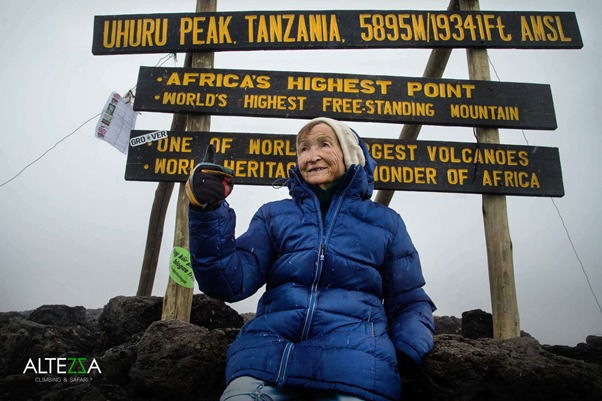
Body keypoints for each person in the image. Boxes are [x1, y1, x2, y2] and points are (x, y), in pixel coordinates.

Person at [186, 117, 435, 401]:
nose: (311, 156)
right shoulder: (273, 216)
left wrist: (406, 353)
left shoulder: (387, 223)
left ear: (350, 154)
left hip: (355, 373)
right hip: (264, 366)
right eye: (303, 148)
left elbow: (410, 301)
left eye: (324, 144)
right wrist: (208, 211)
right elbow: (228, 283)